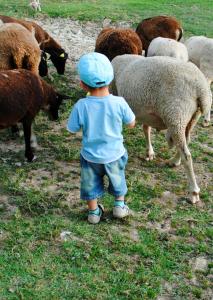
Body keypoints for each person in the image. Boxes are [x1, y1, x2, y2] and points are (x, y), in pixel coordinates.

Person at [67, 52, 135, 224]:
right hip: (115, 154)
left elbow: (72, 128)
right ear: (111, 79)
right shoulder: (119, 102)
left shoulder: (81, 105)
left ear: (82, 84)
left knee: (90, 184)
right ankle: (119, 206)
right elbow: (131, 122)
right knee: (118, 178)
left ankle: (94, 212)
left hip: (90, 156)